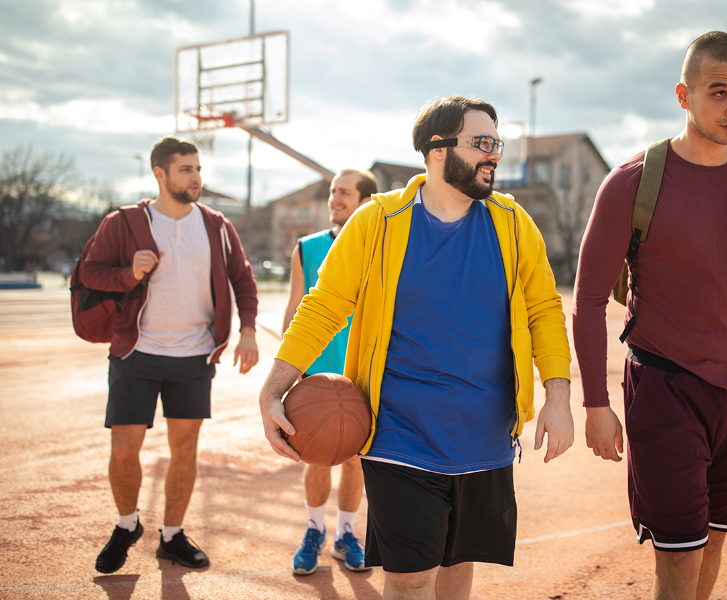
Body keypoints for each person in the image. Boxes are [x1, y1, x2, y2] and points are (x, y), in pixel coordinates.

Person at [260, 96, 574, 599]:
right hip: (398, 436)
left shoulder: (513, 224)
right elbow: (323, 305)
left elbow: (544, 311)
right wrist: (274, 387)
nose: (493, 155)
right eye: (481, 144)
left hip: (485, 438)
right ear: (436, 149)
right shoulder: (378, 220)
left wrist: (558, 397)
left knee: (457, 568)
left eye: (496, 143)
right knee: (408, 582)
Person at [572, 32, 727, 600]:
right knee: (679, 557)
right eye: (719, 92)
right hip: (665, 385)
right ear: (684, 95)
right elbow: (586, 298)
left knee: (716, 539)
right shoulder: (631, 183)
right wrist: (596, 405)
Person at [82, 136, 259, 574]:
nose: (196, 177)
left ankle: (172, 535)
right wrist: (129, 272)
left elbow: (244, 279)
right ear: (160, 174)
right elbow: (89, 271)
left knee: (185, 449)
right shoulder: (124, 222)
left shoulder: (216, 225)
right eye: (186, 170)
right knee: (124, 450)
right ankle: (127, 526)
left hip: (195, 356)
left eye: (198, 169)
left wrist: (248, 331)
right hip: (136, 352)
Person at [281, 168, 377, 575]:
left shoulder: (379, 249)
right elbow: (293, 309)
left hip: (361, 374)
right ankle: (314, 530)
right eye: (333, 192)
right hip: (317, 374)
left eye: (345, 193)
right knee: (317, 457)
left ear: (365, 202)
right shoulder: (306, 247)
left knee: (356, 460)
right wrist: (288, 372)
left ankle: (348, 535)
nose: (335, 199)